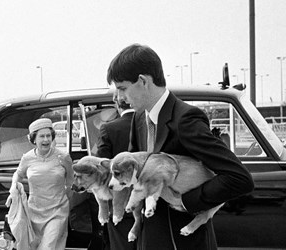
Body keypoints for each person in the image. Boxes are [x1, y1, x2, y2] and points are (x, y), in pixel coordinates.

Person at [106, 43, 254, 250]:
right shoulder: (139, 118)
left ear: (143, 81)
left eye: (122, 88)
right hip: (149, 239)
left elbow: (239, 178)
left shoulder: (185, 119)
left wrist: (185, 201)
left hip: (183, 241)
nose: (120, 98)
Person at [5, 118, 73, 250]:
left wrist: (68, 194)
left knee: (48, 246)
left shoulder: (63, 157)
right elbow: (18, 174)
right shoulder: (27, 158)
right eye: (42, 136)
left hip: (57, 210)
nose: (46, 140)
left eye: (49, 136)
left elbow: (70, 179)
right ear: (33, 139)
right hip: (34, 211)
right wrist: (13, 189)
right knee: (35, 246)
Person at [96, 90, 136, 250]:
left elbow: (102, 168)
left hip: (120, 203)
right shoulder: (153, 125)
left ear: (116, 104)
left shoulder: (108, 129)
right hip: (151, 198)